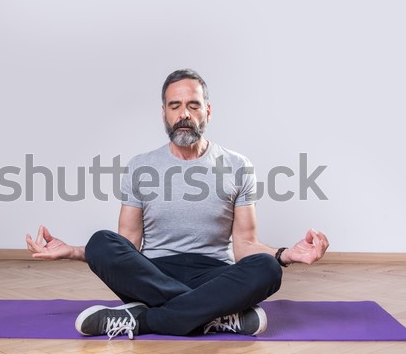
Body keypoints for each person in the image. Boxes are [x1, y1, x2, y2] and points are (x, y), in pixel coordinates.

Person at [26, 69, 329, 340]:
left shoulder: (238, 166)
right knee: (101, 242)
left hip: (214, 275)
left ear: (207, 112)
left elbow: (245, 245)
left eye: (193, 105)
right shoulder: (140, 166)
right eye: (175, 106)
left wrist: (285, 254)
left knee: (267, 268)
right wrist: (76, 252)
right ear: (164, 114)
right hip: (152, 274)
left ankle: (142, 320)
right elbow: (128, 244)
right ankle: (214, 316)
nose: (184, 113)